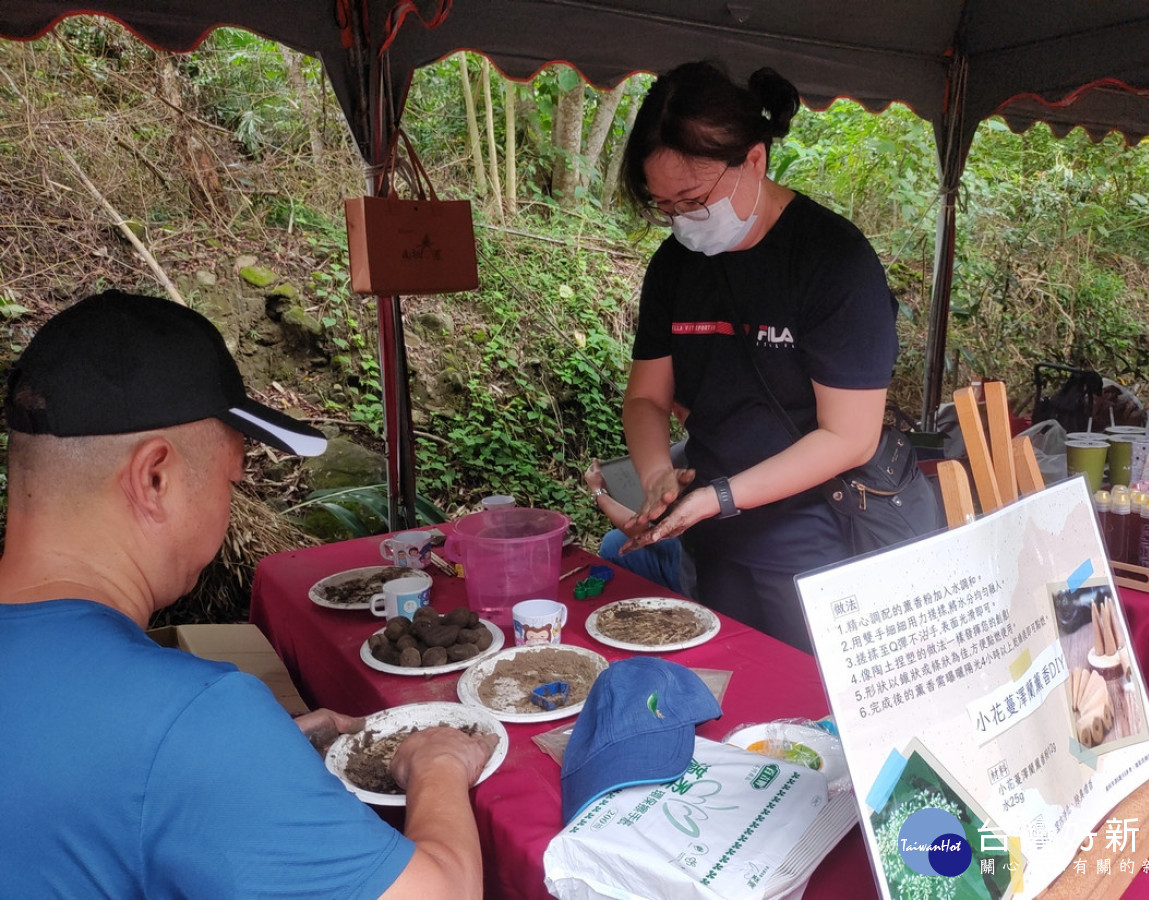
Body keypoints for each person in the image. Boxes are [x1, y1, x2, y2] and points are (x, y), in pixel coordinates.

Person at [0, 290, 497, 898]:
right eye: (232, 482)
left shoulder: (185, 736)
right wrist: (437, 766)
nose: (230, 506)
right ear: (154, 478)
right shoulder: (194, 720)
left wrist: (252, 758)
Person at [617, 61, 900, 653]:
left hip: (819, 536)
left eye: (693, 199)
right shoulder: (674, 265)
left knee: (813, 711)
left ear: (753, 159)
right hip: (712, 539)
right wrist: (656, 477)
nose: (683, 222)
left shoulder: (832, 260)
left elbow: (850, 436)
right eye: (665, 207)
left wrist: (719, 497)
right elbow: (647, 396)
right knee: (732, 693)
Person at [584, 458, 695, 597]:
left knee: (613, 545)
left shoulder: (686, 459)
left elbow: (641, 532)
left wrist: (599, 492)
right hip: (701, 546)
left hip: (701, 572)